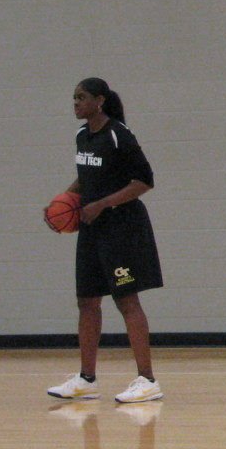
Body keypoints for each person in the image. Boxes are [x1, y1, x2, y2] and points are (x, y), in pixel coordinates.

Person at [45, 78, 164, 404]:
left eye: (81, 98)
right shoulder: (82, 136)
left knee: (127, 301)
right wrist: (63, 201)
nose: (75, 103)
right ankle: (86, 379)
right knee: (87, 301)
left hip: (122, 227)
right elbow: (87, 178)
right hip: (91, 228)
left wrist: (102, 204)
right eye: (73, 98)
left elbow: (144, 181)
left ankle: (148, 379)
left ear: (99, 101)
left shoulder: (118, 134)